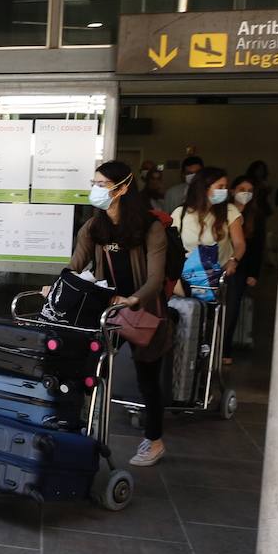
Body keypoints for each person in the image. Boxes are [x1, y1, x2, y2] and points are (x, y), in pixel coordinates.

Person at [68, 161, 173, 468]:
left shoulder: (149, 228)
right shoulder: (94, 226)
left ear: (123, 188)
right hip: (107, 310)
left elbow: (155, 278)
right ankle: (84, 428)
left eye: (101, 184)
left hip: (144, 311)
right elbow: (76, 265)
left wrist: (133, 299)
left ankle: (154, 441)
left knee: (148, 378)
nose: (95, 189)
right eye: (94, 182)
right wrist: (59, 285)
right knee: (90, 367)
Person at [224, 175, 266, 363]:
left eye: (249, 191)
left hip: (241, 269)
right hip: (220, 264)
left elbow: (258, 246)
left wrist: (253, 274)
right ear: (232, 191)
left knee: (232, 309)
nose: (245, 194)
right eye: (242, 189)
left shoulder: (256, 216)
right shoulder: (222, 211)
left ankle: (225, 350)